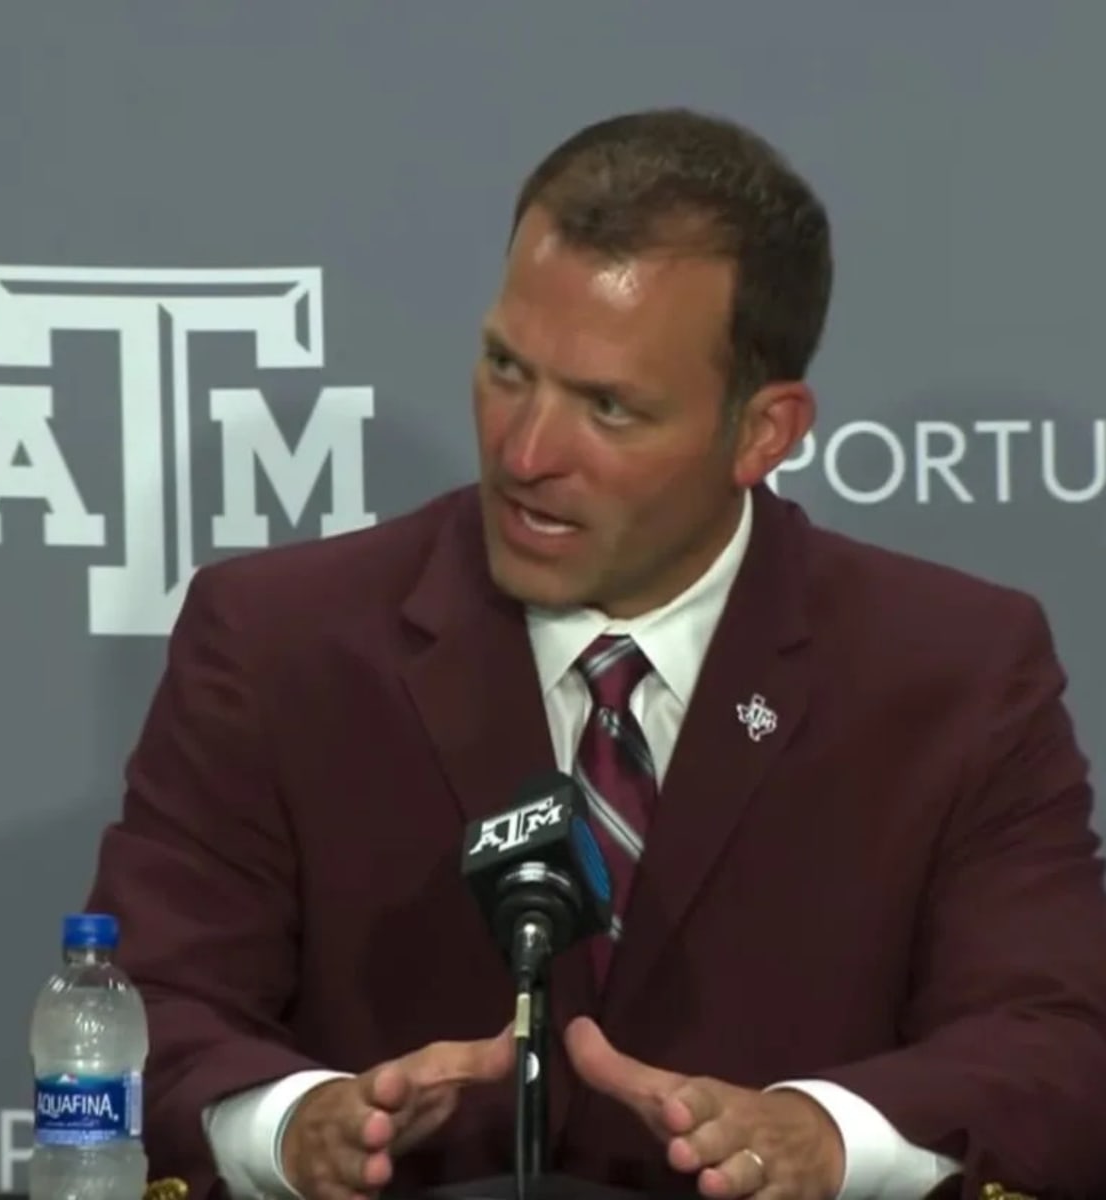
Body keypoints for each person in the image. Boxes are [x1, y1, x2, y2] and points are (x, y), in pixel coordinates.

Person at [85, 107, 1106, 1200]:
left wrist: (827, 1136)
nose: (525, 452)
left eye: (609, 408)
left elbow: (1054, 1046)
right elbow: (141, 1007)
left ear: (764, 432)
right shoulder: (279, 641)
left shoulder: (953, 672)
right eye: (506, 368)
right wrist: (293, 1128)